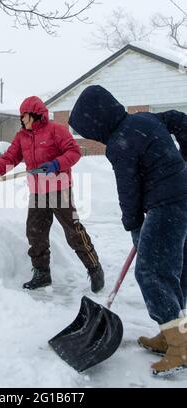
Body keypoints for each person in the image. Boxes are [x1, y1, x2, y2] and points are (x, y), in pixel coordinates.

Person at [68, 85, 187, 376]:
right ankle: (173, 331)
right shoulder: (144, 120)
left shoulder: (119, 142)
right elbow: (179, 119)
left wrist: (133, 223)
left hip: (166, 205)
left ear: (96, 122)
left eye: (87, 130)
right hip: (181, 197)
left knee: (151, 271)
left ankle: (180, 347)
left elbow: (128, 190)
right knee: (175, 269)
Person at [0, 96, 104, 293]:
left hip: (59, 188)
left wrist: (56, 164)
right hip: (37, 192)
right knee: (35, 233)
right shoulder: (22, 136)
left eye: (25, 116)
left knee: (73, 231)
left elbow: (74, 152)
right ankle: (42, 273)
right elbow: (10, 157)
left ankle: (94, 267)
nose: (22, 120)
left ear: (35, 115)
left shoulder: (56, 130)